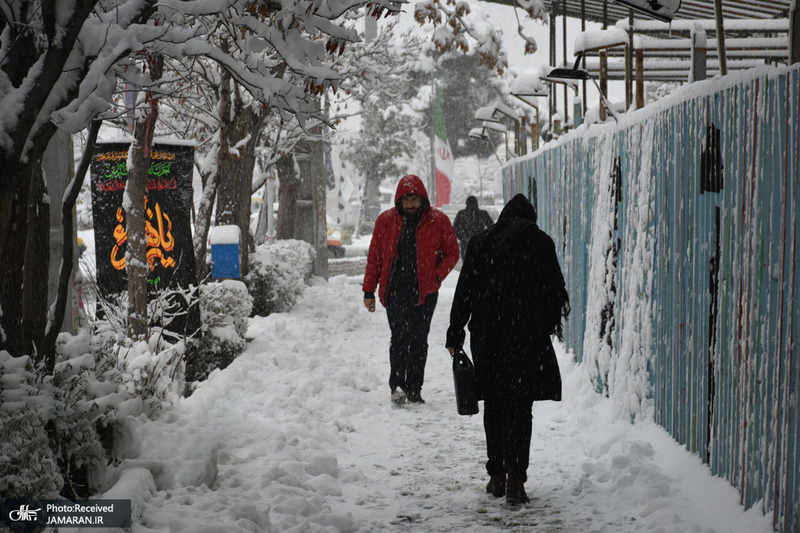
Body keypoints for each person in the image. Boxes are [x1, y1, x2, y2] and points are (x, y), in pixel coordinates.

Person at [445, 193, 570, 505]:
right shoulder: (540, 242)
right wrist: (543, 324)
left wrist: (455, 332)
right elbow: (556, 292)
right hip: (526, 339)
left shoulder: (479, 242)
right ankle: (516, 477)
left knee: (495, 405)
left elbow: (465, 292)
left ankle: (496, 473)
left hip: (487, 337)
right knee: (520, 407)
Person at [363, 174, 459, 405]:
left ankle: (415, 387)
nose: (410, 204)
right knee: (399, 338)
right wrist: (368, 290)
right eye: (406, 200)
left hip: (425, 292)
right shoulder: (385, 221)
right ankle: (397, 386)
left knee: (418, 340)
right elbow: (375, 256)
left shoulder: (438, 221)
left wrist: (436, 275)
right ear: (399, 200)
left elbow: (452, 253)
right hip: (394, 290)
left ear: (422, 198)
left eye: (414, 199)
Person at [453, 195, 494, 262]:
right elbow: (492, 227)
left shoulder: (461, 214)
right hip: (479, 245)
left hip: (468, 245)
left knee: (468, 265)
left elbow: (455, 228)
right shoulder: (482, 214)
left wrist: (463, 237)